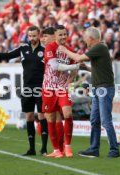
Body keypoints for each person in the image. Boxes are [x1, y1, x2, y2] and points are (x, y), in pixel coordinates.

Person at [0, 26, 48, 156]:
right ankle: (31, 148)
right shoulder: (22, 49)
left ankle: (43, 148)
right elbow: (6, 55)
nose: (32, 38)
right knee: (29, 116)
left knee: (42, 115)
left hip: (41, 87)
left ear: (39, 36)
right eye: (30, 36)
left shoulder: (45, 50)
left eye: (34, 36)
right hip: (27, 87)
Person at [58, 27, 120, 158]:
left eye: (86, 38)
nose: (84, 40)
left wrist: (64, 50)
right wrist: (87, 68)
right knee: (95, 119)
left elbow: (79, 58)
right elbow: (101, 70)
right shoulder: (100, 49)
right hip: (98, 88)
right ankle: (94, 149)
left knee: (105, 120)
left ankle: (114, 149)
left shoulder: (99, 47)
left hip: (104, 89)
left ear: (91, 39)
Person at [42, 25, 80, 158]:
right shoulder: (50, 47)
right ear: (55, 36)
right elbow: (55, 66)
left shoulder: (69, 50)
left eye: (65, 34)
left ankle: (67, 147)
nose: (63, 37)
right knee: (51, 118)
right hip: (48, 88)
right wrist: (74, 66)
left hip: (62, 89)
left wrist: (68, 82)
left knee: (68, 114)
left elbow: (76, 70)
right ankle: (56, 150)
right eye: (60, 35)